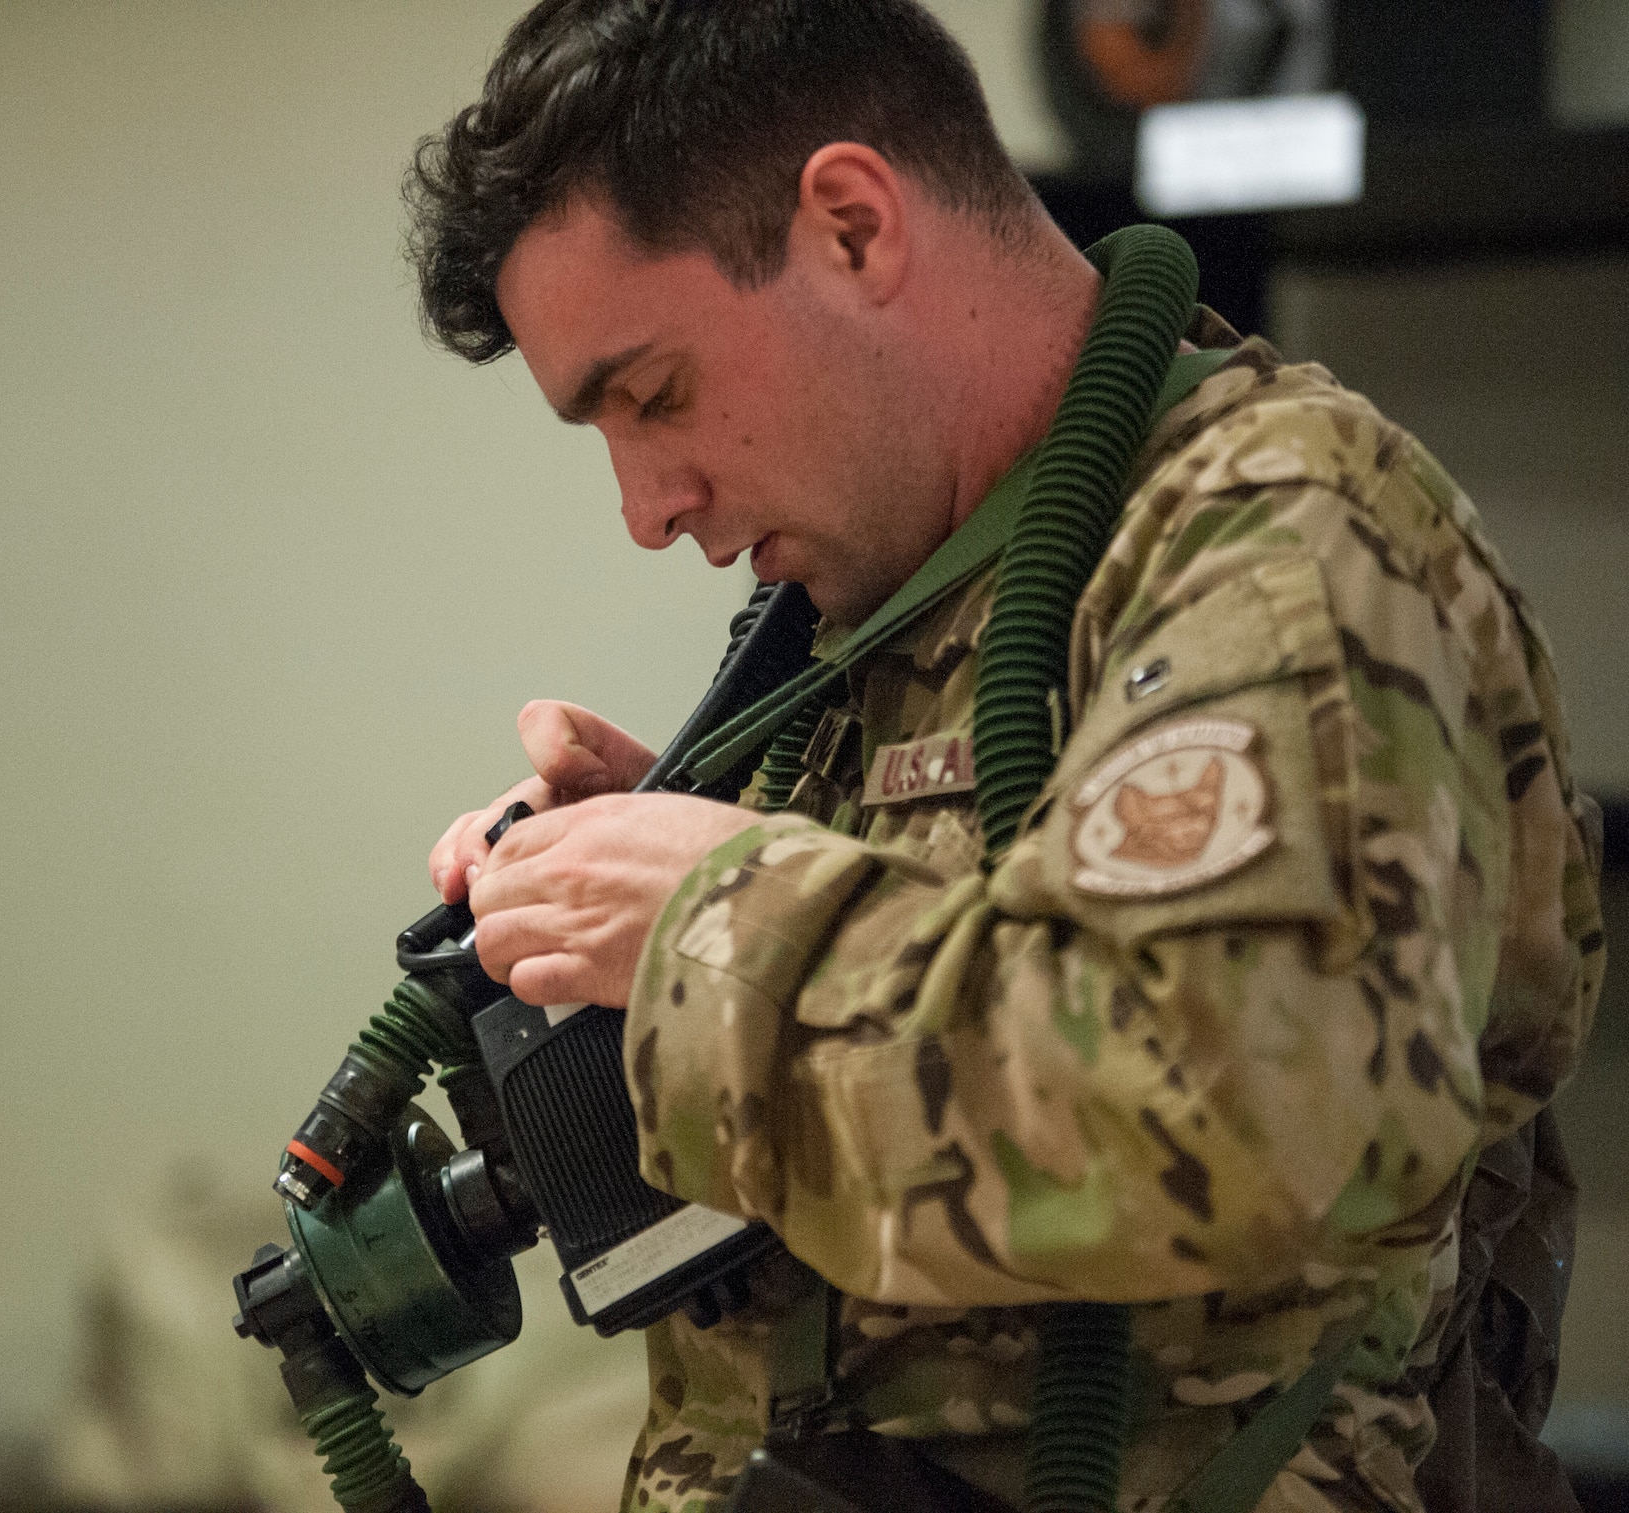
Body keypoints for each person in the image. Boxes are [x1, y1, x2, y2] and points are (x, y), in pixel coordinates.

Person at [405, 3, 1606, 1510]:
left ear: (852, 225)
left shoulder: (1282, 540)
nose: (648, 508)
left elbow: (1221, 1115)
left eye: (654, 395)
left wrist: (720, 915)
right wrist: (633, 909)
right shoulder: (906, 604)